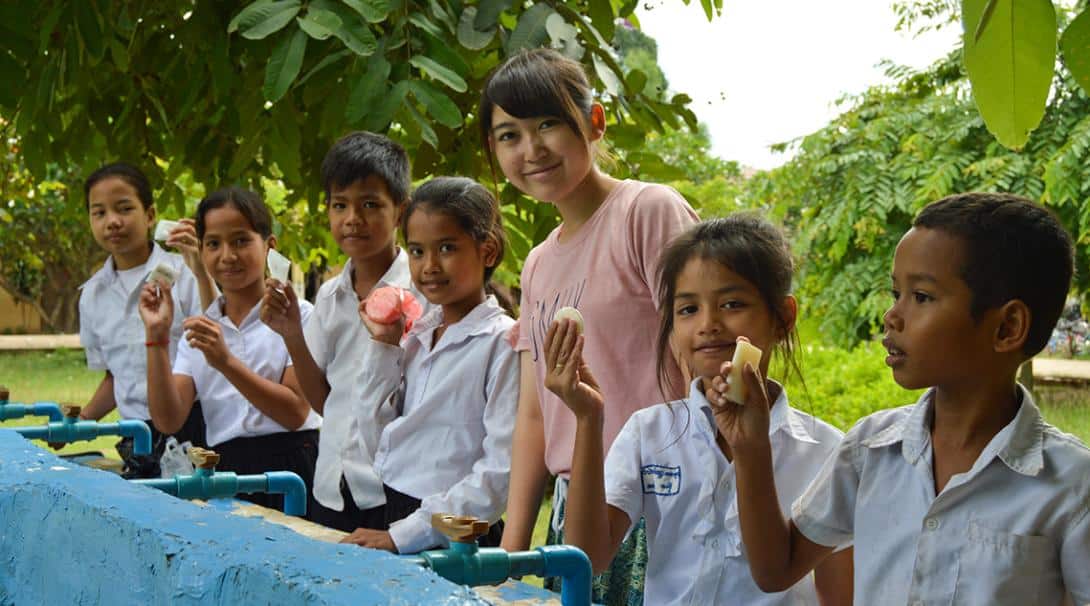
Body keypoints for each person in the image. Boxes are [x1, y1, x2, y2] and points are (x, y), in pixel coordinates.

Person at [718, 193, 1090, 604]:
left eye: (922, 297)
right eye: (896, 293)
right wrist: (750, 447)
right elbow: (776, 569)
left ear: (1007, 328)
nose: (892, 316)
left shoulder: (1072, 486)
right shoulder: (869, 450)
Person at [480, 47, 698, 603]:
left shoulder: (647, 212)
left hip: (663, 502)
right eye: (509, 135)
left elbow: (705, 354)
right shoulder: (537, 263)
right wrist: (510, 549)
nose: (532, 149)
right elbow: (535, 413)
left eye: (548, 123)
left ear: (594, 121)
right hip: (576, 516)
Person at [552, 216, 853, 605]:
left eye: (732, 304)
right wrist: (588, 420)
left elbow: (840, 596)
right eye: (688, 309)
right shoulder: (650, 432)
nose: (708, 324)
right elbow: (587, 557)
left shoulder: (826, 451)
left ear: (784, 317)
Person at [341, 177, 517, 554]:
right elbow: (377, 440)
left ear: (488, 251)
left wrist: (405, 536)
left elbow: (499, 473)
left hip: (458, 533)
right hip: (396, 511)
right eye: (418, 251)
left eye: (447, 248)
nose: (429, 266)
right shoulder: (416, 333)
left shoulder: (503, 343)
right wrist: (383, 346)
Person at [260, 131, 421, 531]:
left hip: (399, 489)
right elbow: (322, 401)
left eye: (370, 205)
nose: (353, 218)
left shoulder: (423, 294)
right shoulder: (331, 295)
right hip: (331, 484)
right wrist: (292, 335)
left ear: (399, 212)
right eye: (340, 205)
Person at [141, 187, 322, 514]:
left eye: (241, 241)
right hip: (225, 471)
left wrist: (225, 362)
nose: (227, 255)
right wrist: (156, 337)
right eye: (213, 244)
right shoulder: (200, 330)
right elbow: (169, 419)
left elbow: (295, 412)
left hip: (293, 467)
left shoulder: (298, 316)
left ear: (269, 246)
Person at [78, 162, 207, 478]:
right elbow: (115, 377)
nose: (112, 222)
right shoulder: (91, 295)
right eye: (100, 213)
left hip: (194, 429)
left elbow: (216, 342)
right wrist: (79, 423)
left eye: (124, 208)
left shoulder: (186, 273)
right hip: (136, 437)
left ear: (150, 215)